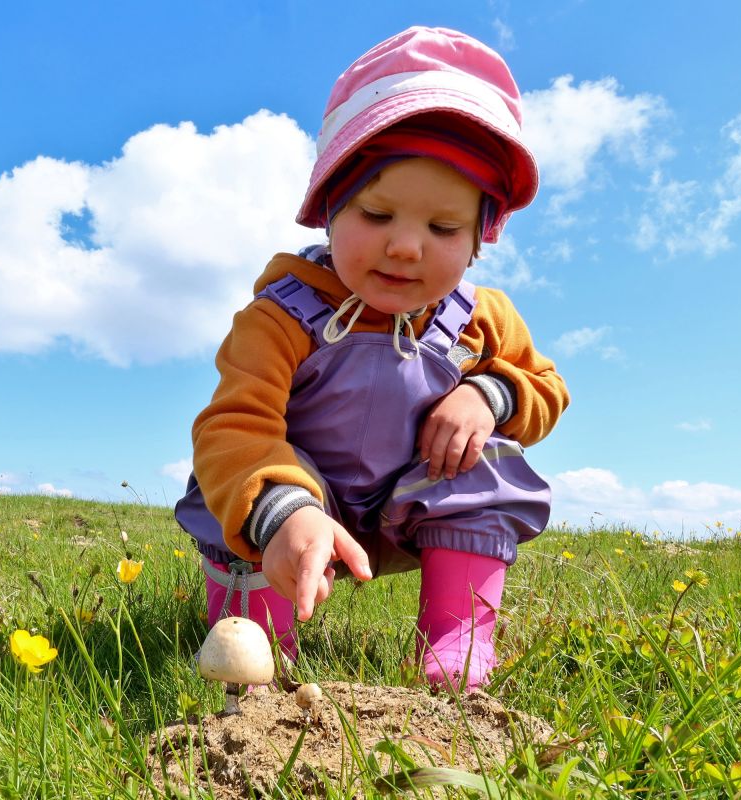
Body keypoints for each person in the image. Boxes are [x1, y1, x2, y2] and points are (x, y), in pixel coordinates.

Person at [175, 26, 568, 690]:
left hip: (408, 506)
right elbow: (233, 427)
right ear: (330, 209)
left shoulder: (480, 318)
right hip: (294, 513)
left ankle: (457, 637)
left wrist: (488, 393)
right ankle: (261, 644)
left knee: (489, 458)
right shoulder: (280, 317)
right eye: (378, 214)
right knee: (232, 486)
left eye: (443, 228)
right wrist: (284, 514)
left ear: (479, 239)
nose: (406, 247)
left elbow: (545, 386)